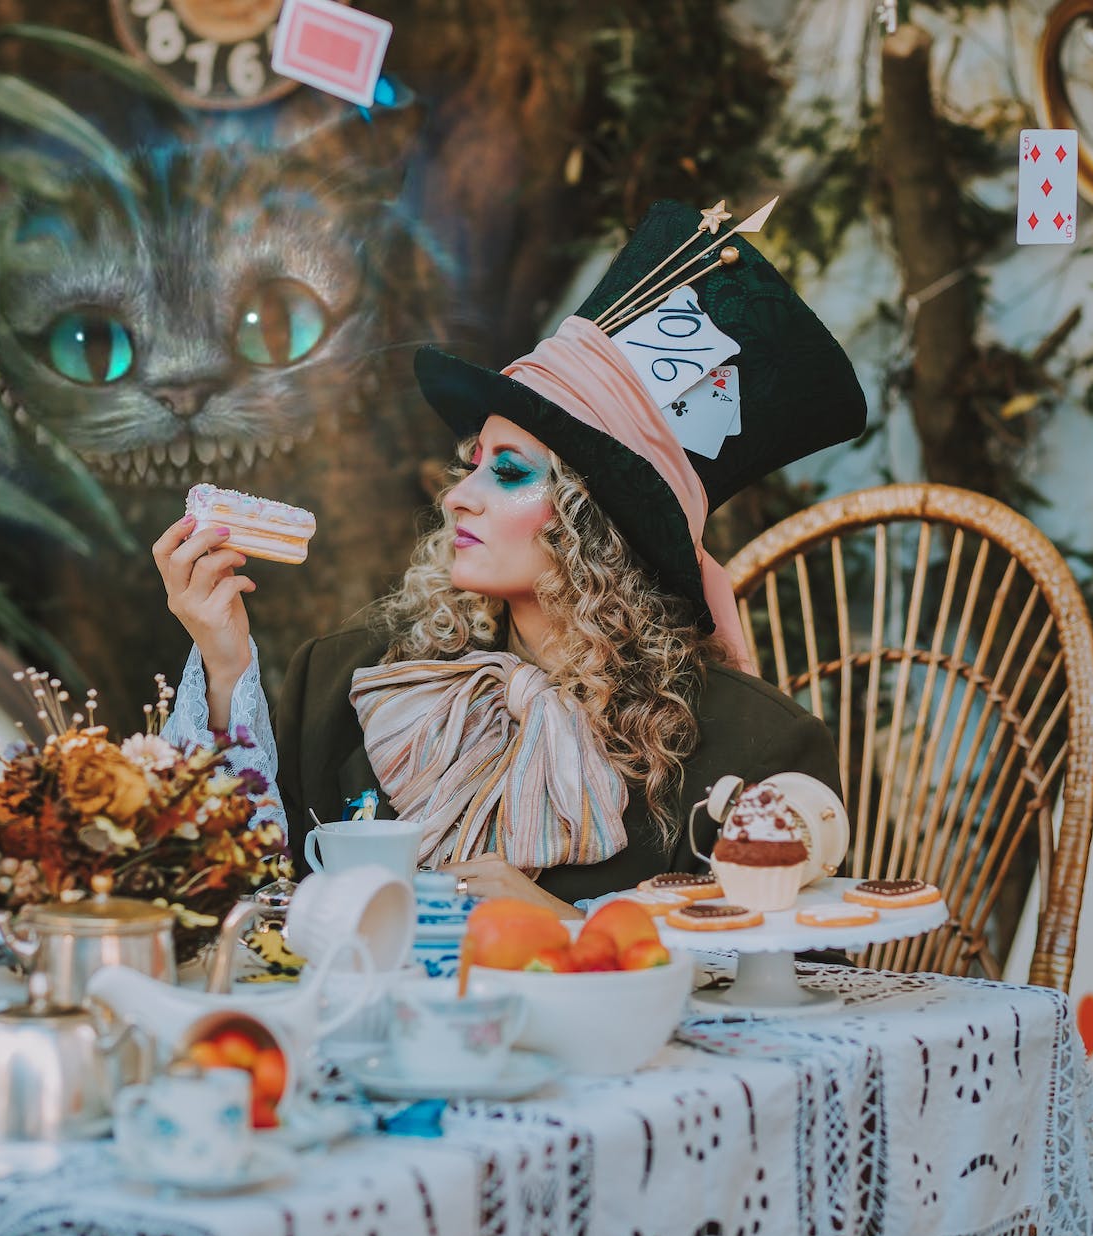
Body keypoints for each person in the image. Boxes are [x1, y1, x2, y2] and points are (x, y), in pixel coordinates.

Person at [157, 199, 866, 918]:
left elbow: (787, 983)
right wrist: (223, 664)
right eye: (473, 462)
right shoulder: (344, 683)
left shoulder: (753, 749)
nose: (460, 495)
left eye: (511, 469)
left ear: (601, 523)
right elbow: (235, 904)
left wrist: (568, 932)